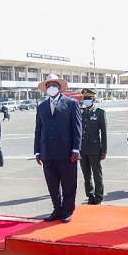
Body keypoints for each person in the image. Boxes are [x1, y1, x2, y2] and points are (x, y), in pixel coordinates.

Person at [34, 74, 82, 223]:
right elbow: (38, 129)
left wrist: (76, 149)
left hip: (67, 152)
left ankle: (67, 210)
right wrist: (37, 151)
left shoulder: (71, 103)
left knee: (69, 183)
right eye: (48, 86)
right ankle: (57, 209)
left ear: (59, 87)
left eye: (54, 85)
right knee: (52, 183)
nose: (51, 88)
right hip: (47, 151)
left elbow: (77, 128)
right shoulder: (41, 106)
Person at [79, 88, 107, 205]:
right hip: (82, 149)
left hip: (95, 149)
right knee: (86, 175)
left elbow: (104, 133)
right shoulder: (80, 112)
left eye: (89, 99)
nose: (86, 101)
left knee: (97, 174)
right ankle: (90, 195)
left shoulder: (99, 113)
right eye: (85, 98)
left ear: (93, 99)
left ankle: (98, 196)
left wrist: (104, 151)